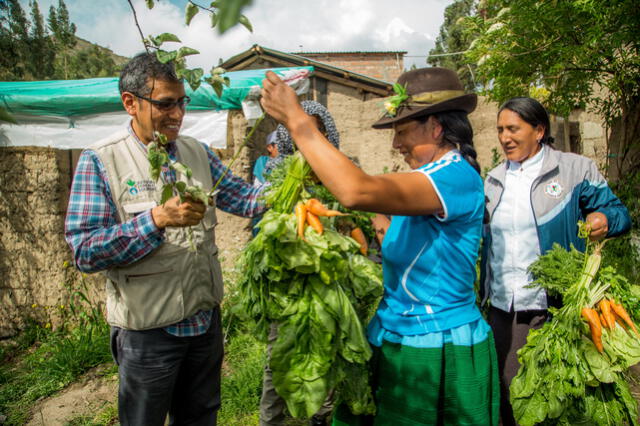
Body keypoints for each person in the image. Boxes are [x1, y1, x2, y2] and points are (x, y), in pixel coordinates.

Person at [261, 67, 500, 425]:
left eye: (402, 132)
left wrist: (297, 119)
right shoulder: (423, 180)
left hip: (435, 343)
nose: (395, 144)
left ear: (435, 127)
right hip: (396, 333)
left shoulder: (455, 176)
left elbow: (356, 191)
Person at [64, 52, 265, 426]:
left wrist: (299, 187)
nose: (177, 114)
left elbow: (245, 198)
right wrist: (155, 220)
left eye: (181, 102)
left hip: (204, 323)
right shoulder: (102, 160)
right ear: (131, 103)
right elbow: (84, 250)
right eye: (165, 104)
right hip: (148, 334)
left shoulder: (197, 153)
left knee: (201, 416)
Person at [480, 97, 632, 426]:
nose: (504, 137)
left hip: (557, 306)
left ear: (539, 130)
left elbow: (620, 214)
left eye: (512, 129)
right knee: (508, 392)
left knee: (561, 397)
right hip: (505, 306)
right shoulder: (493, 181)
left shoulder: (575, 169)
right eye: (500, 130)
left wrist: (603, 219)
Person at [259, 100, 341, 426]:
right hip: (286, 284)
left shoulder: (338, 174)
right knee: (278, 354)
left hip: (328, 281)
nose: (307, 140)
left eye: (315, 131)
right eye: (300, 131)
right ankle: (271, 419)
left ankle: (323, 416)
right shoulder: (280, 177)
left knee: (327, 351)